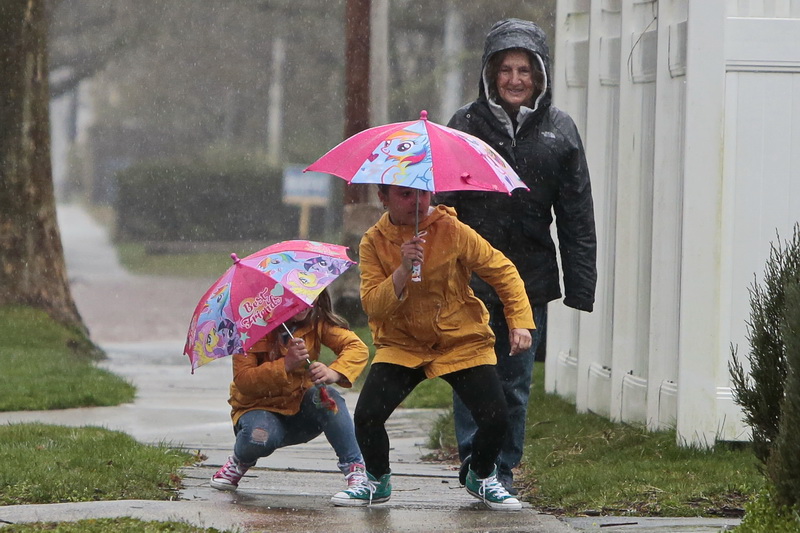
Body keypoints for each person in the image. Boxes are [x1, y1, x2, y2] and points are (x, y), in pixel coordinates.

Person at [437, 18, 597, 496]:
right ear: (489, 73)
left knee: (514, 384)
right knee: (471, 376)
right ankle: (475, 464)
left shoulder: (559, 132)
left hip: (528, 281)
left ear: (539, 75)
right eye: (504, 68)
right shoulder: (464, 127)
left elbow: (576, 214)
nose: (514, 79)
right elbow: (442, 208)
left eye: (523, 69)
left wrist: (581, 284)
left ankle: (500, 470)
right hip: (468, 281)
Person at [334, 184, 535, 511]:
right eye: (404, 195)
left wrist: (520, 321)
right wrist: (401, 269)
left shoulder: (452, 230)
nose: (417, 202)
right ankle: (376, 481)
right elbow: (373, 306)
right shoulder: (373, 241)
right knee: (368, 415)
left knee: (496, 417)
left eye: (423, 194)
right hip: (403, 342)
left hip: (459, 339)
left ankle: (482, 475)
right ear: (383, 198)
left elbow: (503, 272)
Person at [210, 289, 370, 506]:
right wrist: (285, 365)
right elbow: (244, 381)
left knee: (327, 397)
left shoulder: (316, 322)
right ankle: (240, 461)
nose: (304, 304)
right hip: (258, 408)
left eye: (309, 297)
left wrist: (334, 372)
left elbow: (356, 347)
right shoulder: (249, 328)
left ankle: (356, 473)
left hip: (300, 408)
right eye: (294, 299)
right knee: (258, 438)